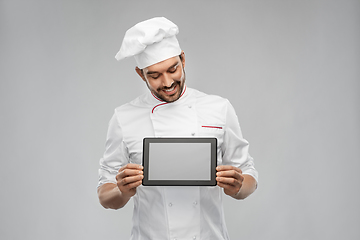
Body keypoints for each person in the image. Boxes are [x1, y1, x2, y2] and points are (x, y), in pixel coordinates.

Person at [97, 17, 258, 240]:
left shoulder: (219, 108)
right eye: (154, 75)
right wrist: (121, 191)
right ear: (140, 73)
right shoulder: (124, 117)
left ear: (183, 59)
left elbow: (248, 173)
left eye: (173, 69)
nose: (167, 82)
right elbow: (105, 196)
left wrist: (238, 187)